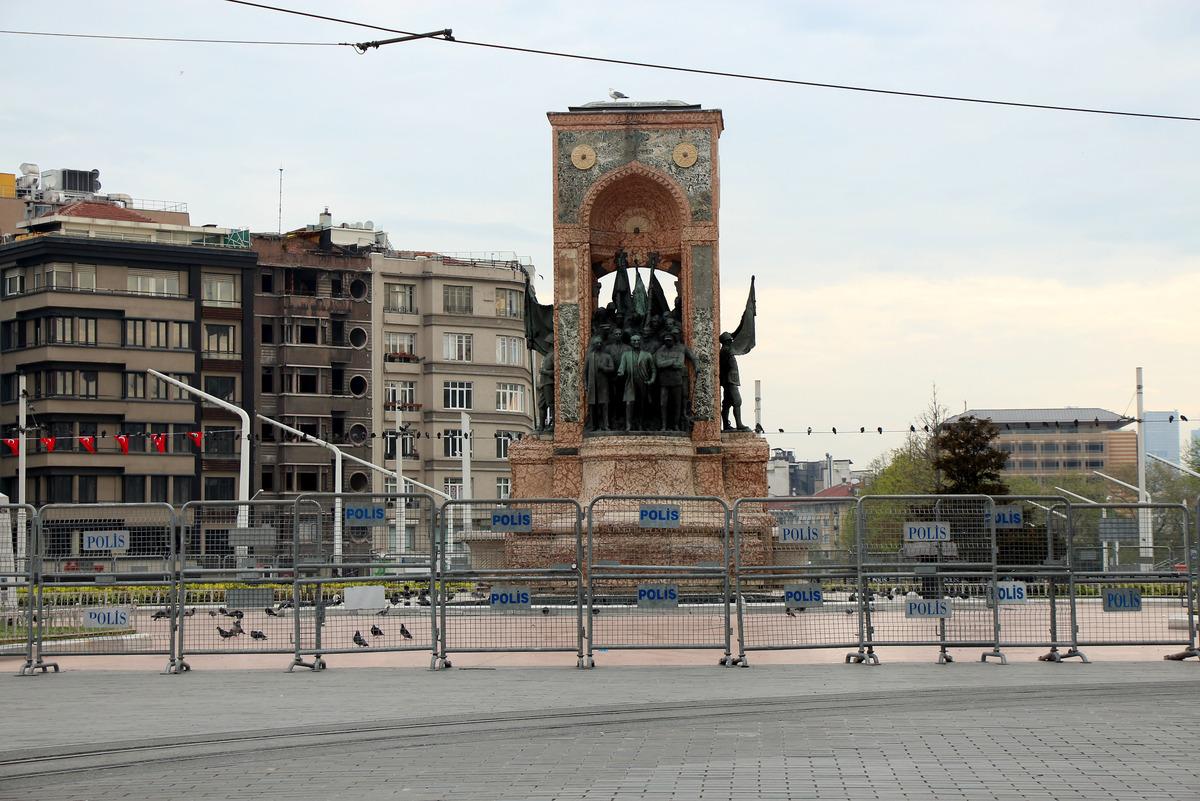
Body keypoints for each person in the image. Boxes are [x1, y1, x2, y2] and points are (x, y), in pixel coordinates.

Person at [617, 334, 656, 432]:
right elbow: (622, 366)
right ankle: (628, 425)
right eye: (634, 341)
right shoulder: (626, 354)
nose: (636, 342)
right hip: (630, 381)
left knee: (641, 404)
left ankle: (640, 424)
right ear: (631, 342)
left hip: (643, 382)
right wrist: (621, 372)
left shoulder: (647, 355)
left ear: (640, 341)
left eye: (638, 340)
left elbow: (653, 370)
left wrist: (651, 380)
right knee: (629, 403)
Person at [654, 332, 687, 431]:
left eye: (669, 340)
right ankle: (664, 425)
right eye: (666, 340)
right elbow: (659, 364)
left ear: (674, 340)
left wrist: (666, 363)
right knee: (663, 404)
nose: (667, 341)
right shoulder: (660, 351)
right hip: (664, 381)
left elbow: (680, 364)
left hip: (677, 381)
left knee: (677, 404)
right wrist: (672, 361)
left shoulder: (679, 351)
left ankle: (676, 425)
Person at [719, 332, 749, 431]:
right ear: (727, 341)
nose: (732, 341)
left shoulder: (726, 350)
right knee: (737, 401)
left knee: (727, 403)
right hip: (730, 380)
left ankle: (726, 425)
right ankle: (739, 424)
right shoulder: (726, 351)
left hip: (731, 379)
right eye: (730, 340)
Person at [584, 335, 613, 431]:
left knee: (604, 405)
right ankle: (592, 425)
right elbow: (585, 372)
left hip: (604, 385)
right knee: (592, 406)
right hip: (592, 384)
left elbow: (612, 368)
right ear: (594, 345)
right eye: (597, 343)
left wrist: (604, 368)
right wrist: (586, 385)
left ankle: (605, 425)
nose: (599, 344)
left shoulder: (607, 356)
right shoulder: (590, 357)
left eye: (600, 343)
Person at [537, 348, 555, 432]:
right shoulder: (546, 356)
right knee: (541, 405)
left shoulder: (553, 355)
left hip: (549, 383)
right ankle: (541, 426)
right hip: (544, 384)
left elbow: (557, 371)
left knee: (550, 404)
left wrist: (545, 372)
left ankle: (554, 425)